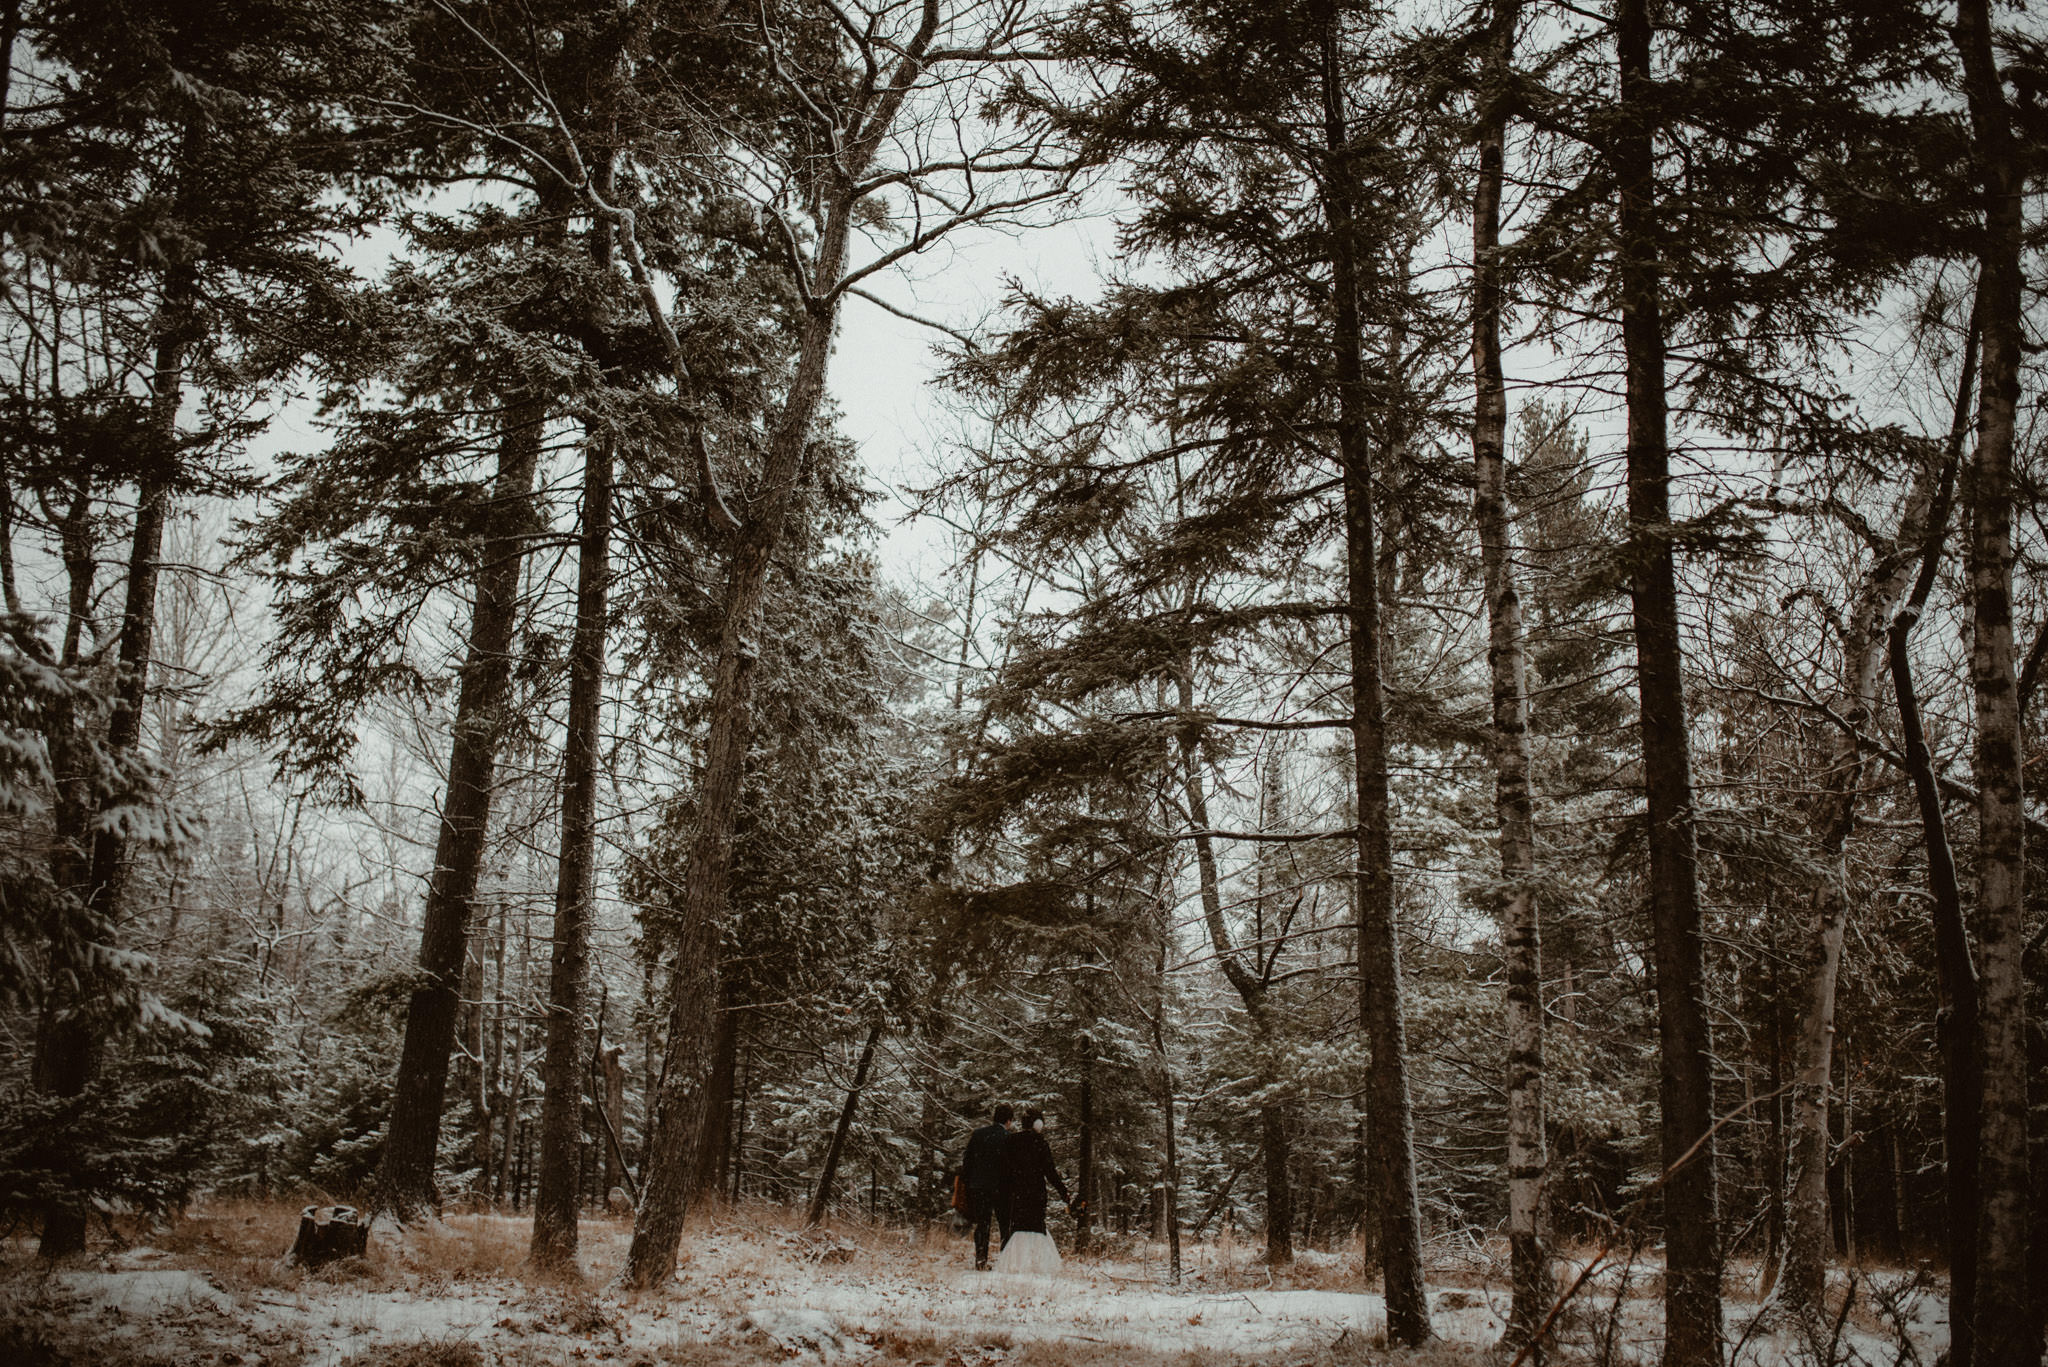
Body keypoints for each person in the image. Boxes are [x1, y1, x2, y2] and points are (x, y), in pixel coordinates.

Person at [995, 1106, 1078, 1275]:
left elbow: (1003, 1169)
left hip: (1016, 1192)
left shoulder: (1011, 1141)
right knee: (1036, 1227)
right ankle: (1038, 1265)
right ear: (1038, 1124)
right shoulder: (1041, 1143)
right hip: (1036, 1193)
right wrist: (1064, 1192)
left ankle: (1015, 1264)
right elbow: (1050, 1172)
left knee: (1018, 1228)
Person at [959, 1102, 1014, 1270]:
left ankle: (981, 1259)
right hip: (1000, 1188)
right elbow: (1011, 1166)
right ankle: (1005, 1261)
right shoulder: (1008, 1138)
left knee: (983, 1224)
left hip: (979, 1186)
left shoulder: (978, 1135)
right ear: (1009, 1121)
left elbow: (967, 1161)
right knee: (1005, 1224)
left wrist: (967, 1185)